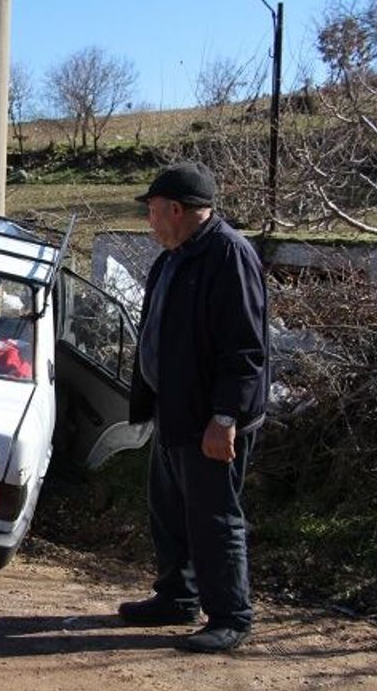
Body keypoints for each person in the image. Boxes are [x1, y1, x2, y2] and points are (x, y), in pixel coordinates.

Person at [118, 161, 268, 653]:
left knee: (214, 517)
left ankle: (230, 617)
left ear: (177, 210)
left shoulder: (229, 255)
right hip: (174, 412)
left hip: (211, 420)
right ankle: (177, 597)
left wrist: (225, 417)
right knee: (169, 511)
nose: (150, 220)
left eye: (154, 210)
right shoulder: (174, 256)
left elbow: (245, 349)